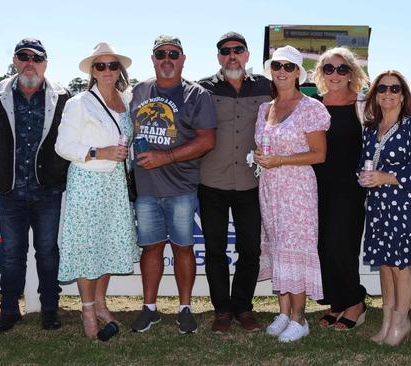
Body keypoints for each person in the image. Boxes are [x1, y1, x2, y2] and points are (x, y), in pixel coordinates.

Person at [0, 38, 70, 333]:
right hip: (9, 191)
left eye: (36, 58)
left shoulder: (62, 96)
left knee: (48, 253)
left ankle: (50, 310)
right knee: (12, 255)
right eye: (23, 57)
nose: (29, 63)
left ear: (45, 64)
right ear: (15, 61)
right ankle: (9, 311)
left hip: (48, 191)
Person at [130, 35, 216, 335]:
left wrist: (164, 157)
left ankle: (185, 308)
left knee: (183, 248)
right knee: (150, 248)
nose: (167, 59)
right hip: (146, 190)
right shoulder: (138, 90)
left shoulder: (197, 95)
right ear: (152, 59)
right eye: (160, 54)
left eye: (173, 54)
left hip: (181, 187)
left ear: (183, 58)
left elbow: (207, 140)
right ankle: (150, 308)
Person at [54, 42, 139, 339]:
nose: (107, 71)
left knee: (107, 245)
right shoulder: (79, 103)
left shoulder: (125, 100)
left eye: (112, 65)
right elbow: (63, 146)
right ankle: (87, 308)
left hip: (115, 185)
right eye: (100, 66)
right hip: (88, 184)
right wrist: (98, 152)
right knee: (88, 248)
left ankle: (101, 303)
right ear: (92, 71)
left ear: (120, 70)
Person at [254, 45, 330, 342]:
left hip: (297, 190)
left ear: (298, 72)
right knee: (277, 248)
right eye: (277, 66)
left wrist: (281, 160)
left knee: (295, 249)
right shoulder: (265, 108)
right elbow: (266, 146)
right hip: (270, 188)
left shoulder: (311, 108)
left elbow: (319, 154)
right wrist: (260, 156)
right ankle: (284, 312)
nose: (281, 72)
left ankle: (300, 318)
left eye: (288, 67)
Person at [198, 32, 272, 334]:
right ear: (218, 57)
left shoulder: (266, 87)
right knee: (215, 251)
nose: (232, 56)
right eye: (226, 51)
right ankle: (222, 310)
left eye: (237, 50)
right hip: (211, 181)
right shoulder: (202, 89)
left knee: (250, 250)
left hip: (251, 183)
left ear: (247, 55)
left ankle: (243, 307)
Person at [357, 70, 411, 346]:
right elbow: (364, 164)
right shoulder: (370, 128)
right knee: (386, 265)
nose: (388, 93)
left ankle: (402, 321)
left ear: (403, 95)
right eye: (382, 89)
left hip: (402, 204)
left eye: (394, 89)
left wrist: (386, 178)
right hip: (377, 205)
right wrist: (364, 177)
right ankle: (387, 319)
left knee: (400, 265)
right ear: (375, 95)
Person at [310, 47, 369, 331]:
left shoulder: (363, 104)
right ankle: (336, 303)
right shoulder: (313, 104)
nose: (335, 74)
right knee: (322, 246)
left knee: (341, 246)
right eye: (328, 69)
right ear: (320, 73)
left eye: (342, 69)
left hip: (350, 188)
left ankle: (355, 302)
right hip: (316, 186)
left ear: (352, 73)